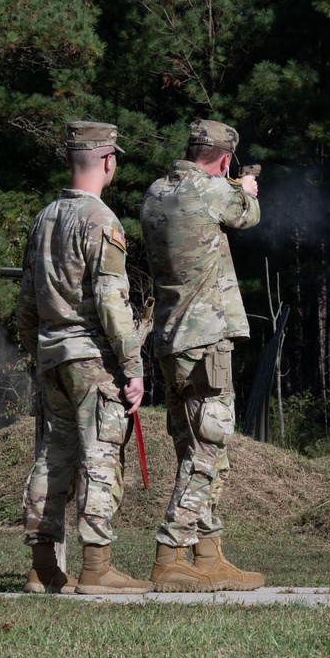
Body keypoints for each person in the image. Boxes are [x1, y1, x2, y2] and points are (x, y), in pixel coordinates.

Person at [16, 121, 153, 595]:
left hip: (52, 355)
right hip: (93, 359)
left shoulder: (44, 218)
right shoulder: (100, 220)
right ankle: (96, 567)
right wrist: (132, 367)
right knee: (100, 458)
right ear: (109, 160)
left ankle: (42, 569)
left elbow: (25, 304)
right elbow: (113, 303)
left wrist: (44, 351)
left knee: (51, 458)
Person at [140, 118, 265, 591]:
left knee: (194, 448)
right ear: (225, 159)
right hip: (207, 339)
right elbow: (246, 216)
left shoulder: (155, 192)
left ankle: (208, 553)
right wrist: (246, 188)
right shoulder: (213, 192)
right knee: (208, 449)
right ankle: (171, 552)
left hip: (171, 339)